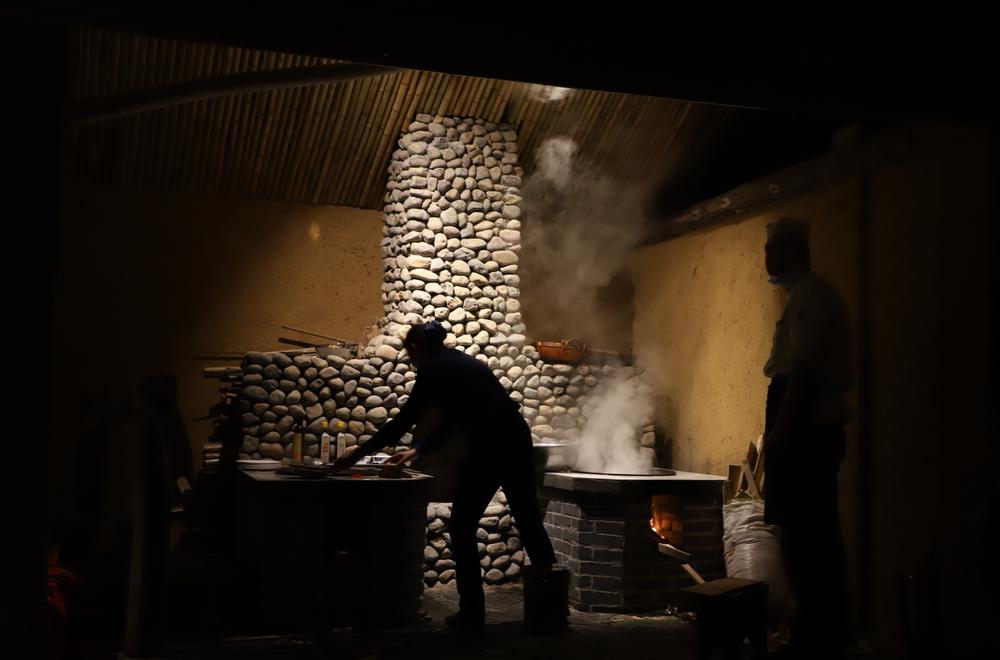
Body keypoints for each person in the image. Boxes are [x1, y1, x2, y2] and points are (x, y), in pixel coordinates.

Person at [333, 321, 557, 631]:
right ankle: (551, 614)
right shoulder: (459, 362)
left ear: (416, 348)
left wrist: (355, 454)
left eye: (408, 352)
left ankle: (472, 615)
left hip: (489, 444)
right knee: (528, 519)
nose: (409, 359)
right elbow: (454, 415)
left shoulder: (433, 369)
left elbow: (404, 420)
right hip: (515, 437)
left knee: (463, 525)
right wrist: (418, 450)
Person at [762, 218, 853, 659]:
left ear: (793, 252)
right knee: (799, 533)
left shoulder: (814, 296)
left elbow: (804, 370)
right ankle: (812, 629)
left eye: (772, 250)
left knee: (811, 533)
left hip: (808, 430)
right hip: (798, 423)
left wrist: (781, 429)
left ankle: (822, 634)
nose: (766, 259)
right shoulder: (799, 296)